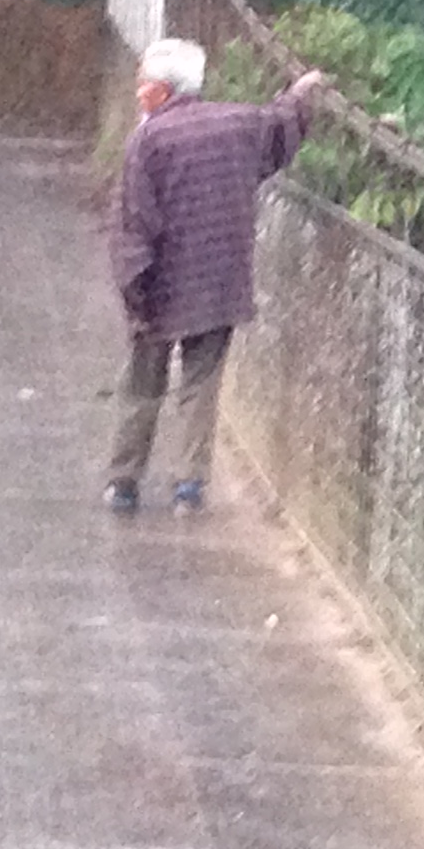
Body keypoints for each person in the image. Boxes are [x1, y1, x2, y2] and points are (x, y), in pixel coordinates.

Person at [104, 37, 327, 515]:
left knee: (143, 383)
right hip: (219, 284)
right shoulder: (239, 123)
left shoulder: (149, 140)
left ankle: (124, 482)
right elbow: (281, 123)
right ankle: (189, 487)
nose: (137, 90)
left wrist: (134, 290)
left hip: (160, 285)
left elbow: (134, 222)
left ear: (163, 91)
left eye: (143, 83)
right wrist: (302, 91)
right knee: (201, 387)